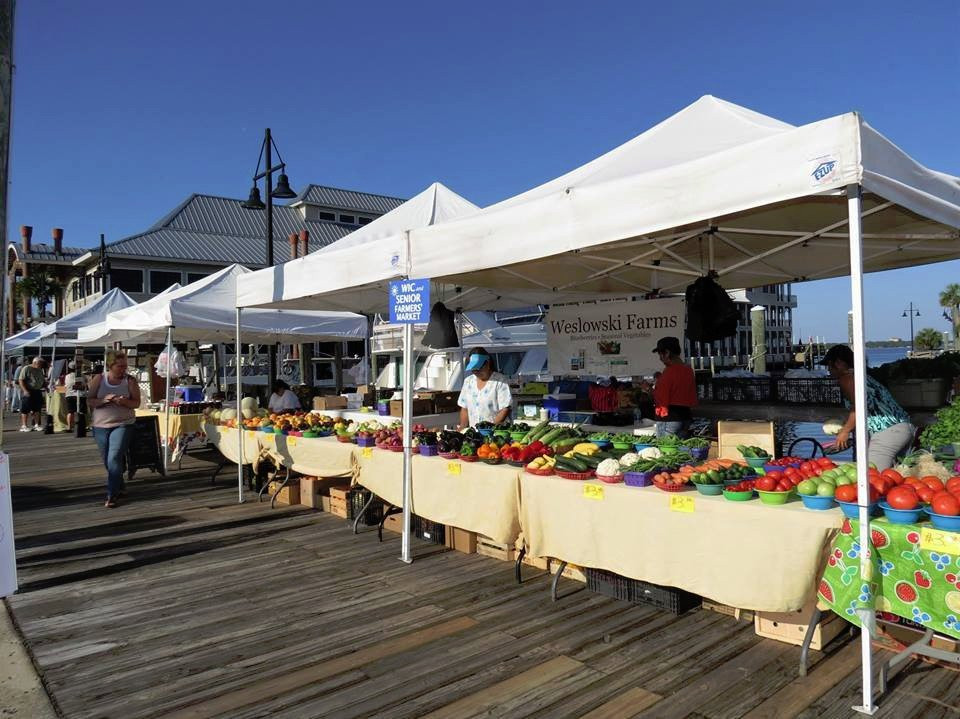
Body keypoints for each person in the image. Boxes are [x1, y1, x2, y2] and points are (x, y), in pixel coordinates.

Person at [821, 344, 914, 470]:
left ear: (838, 363)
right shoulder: (862, 375)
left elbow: (859, 407)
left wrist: (845, 431)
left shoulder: (847, 379)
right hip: (903, 428)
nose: (829, 370)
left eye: (829, 365)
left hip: (887, 432)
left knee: (871, 477)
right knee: (893, 478)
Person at [87, 350, 141, 508]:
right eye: (120, 366)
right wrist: (103, 400)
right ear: (110, 365)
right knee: (107, 459)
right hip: (100, 425)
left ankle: (112, 494)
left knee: (114, 457)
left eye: (125, 366)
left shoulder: (130, 381)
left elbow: (136, 403)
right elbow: (90, 400)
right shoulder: (99, 379)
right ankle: (120, 484)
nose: (123, 369)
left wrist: (123, 402)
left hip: (123, 423)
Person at [651, 336, 697, 438]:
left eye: (660, 354)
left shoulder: (669, 372)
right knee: (681, 449)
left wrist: (650, 390)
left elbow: (662, 398)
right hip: (685, 416)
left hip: (669, 419)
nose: (660, 358)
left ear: (667, 353)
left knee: (666, 449)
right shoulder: (688, 370)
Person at [457, 348, 512, 428]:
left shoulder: (500, 381)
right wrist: (462, 428)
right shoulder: (468, 381)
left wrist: (491, 428)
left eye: (479, 369)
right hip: (475, 432)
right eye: (474, 370)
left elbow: (505, 409)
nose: (476, 372)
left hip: (496, 432)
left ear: (488, 364)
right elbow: (464, 408)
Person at [18, 356, 46, 432]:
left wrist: (45, 386)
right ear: (35, 362)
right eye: (40, 363)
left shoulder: (40, 370)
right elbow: (21, 380)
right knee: (25, 409)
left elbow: (42, 380)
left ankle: (36, 425)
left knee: (37, 408)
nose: (41, 365)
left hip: (37, 390)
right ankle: (24, 425)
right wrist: (25, 390)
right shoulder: (26, 368)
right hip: (28, 390)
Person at [64, 361, 87, 431]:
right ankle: (82, 425)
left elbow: (66, 385)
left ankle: (69, 426)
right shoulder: (82, 376)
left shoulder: (67, 376)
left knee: (70, 412)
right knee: (81, 411)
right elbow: (85, 384)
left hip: (69, 395)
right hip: (80, 395)